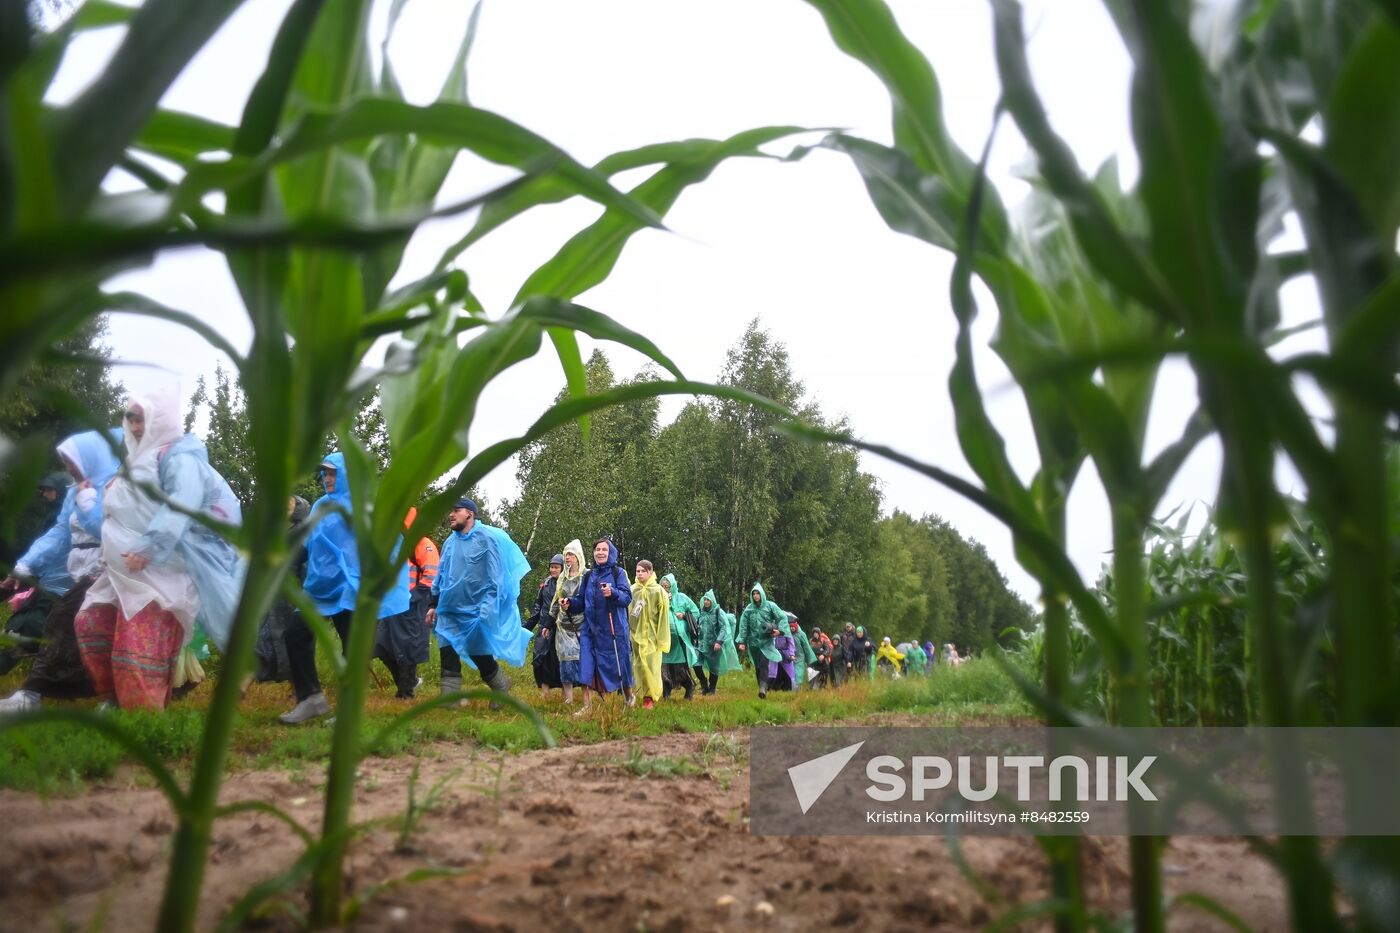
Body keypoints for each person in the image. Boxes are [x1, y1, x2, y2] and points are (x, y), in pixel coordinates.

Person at [76, 390, 245, 711]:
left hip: (161, 576)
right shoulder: (130, 462)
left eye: (144, 418)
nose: (137, 426)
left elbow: (184, 503)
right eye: (131, 418)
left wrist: (149, 546)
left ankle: (144, 725)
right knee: (90, 624)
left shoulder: (179, 457)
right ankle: (115, 702)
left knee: (136, 649)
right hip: (119, 576)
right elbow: (115, 515)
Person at [279, 452, 412, 723]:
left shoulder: (367, 510)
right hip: (318, 588)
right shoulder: (319, 506)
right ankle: (311, 699)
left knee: (352, 650)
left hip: (351, 590)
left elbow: (386, 548)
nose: (326, 478)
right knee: (295, 635)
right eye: (325, 473)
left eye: (332, 473)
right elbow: (309, 543)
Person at [0, 431, 121, 712]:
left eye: (71, 460)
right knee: (88, 633)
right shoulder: (73, 492)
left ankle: (31, 696)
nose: (68, 467)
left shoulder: (116, 486)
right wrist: (25, 565)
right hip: (81, 571)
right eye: (65, 461)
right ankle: (110, 698)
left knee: (60, 620)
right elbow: (59, 535)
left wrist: (89, 497)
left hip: (109, 568)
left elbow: (110, 528)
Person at [427, 498, 531, 705]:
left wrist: (488, 609)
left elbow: (495, 579)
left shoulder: (486, 540)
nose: (451, 514)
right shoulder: (450, 542)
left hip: (476, 612)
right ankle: (449, 702)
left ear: (470, 514)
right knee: (447, 652)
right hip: (449, 610)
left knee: (479, 655)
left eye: (456, 510)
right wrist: (433, 604)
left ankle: (501, 688)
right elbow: (441, 574)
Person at [0, 473, 77, 673]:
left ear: (62, 490)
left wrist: (27, 569)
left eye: (49, 489)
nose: (44, 494)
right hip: (51, 583)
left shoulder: (69, 517)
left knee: (26, 630)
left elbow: (54, 548)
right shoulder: (59, 515)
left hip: (62, 586)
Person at [567, 538, 634, 713]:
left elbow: (627, 597)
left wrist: (612, 593)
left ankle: (629, 696)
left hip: (613, 629)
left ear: (610, 552)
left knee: (621, 664)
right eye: (597, 549)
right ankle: (587, 707)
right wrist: (570, 603)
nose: (600, 552)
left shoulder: (618, 573)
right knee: (586, 665)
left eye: (604, 549)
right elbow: (581, 601)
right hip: (590, 629)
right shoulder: (589, 575)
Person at [373, 508, 434, 700]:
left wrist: (411, 597)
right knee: (380, 646)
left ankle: (405, 693)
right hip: (390, 605)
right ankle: (408, 682)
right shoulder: (391, 545)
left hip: (414, 605)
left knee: (408, 648)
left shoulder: (424, 544)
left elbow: (431, 576)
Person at [253, 496, 310, 684]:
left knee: (292, 640)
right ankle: (242, 687)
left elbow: (306, 567)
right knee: (261, 639)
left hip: (292, 595)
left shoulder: (303, 533)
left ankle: (302, 690)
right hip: (268, 594)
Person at [628, 560, 670, 709]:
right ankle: (640, 694)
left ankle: (649, 697)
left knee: (651, 666)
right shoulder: (633, 590)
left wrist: (662, 638)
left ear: (650, 572)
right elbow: (630, 613)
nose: (639, 574)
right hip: (636, 636)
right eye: (637, 571)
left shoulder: (658, 591)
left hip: (652, 637)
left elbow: (664, 617)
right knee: (639, 666)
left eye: (643, 571)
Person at [549, 540, 587, 704]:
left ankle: (588, 699)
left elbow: (589, 599)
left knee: (584, 661)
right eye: (566, 555)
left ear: (578, 556)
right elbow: (556, 600)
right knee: (565, 659)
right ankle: (569, 698)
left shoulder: (587, 576)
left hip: (583, 625)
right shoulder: (562, 578)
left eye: (570, 554)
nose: (568, 558)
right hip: (564, 625)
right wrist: (548, 623)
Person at [737, 582, 787, 699]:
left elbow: (782, 617)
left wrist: (779, 631)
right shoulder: (748, 609)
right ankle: (762, 688)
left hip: (767, 642)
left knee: (764, 663)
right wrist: (742, 642)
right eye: (754, 593)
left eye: (758, 593)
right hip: (753, 643)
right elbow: (743, 626)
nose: (755, 596)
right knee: (758, 666)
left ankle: (763, 688)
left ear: (762, 595)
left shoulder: (770, 606)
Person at [523, 554, 564, 694]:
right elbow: (537, 607)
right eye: (551, 567)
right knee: (540, 659)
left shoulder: (566, 584)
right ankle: (544, 694)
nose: (553, 570)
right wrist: (526, 627)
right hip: (543, 627)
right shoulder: (545, 585)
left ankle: (566, 695)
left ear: (562, 568)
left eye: (556, 567)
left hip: (560, 628)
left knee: (559, 661)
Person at [658, 573, 699, 701]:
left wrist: (685, 616)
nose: (665, 588)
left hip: (679, 640)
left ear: (673, 586)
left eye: (668, 586)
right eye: (663, 586)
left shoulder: (682, 598)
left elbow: (696, 613)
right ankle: (666, 693)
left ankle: (689, 688)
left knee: (679, 667)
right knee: (664, 666)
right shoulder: (658, 597)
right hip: (663, 640)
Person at [695, 589, 740, 695]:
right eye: (705, 599)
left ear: (712, 601)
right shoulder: (700, 612)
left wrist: (718, 641)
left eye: (708, 600)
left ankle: (712, 689)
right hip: (700, 644)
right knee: (696, 664)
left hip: (714, 644)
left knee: (714, 667)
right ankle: (703, 684)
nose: (706, 602)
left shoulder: (717, 611)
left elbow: (723, 627)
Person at [787, 615, 818, 691]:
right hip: (791, 657)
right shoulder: (788, 634)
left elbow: (806, 647)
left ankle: (797, 689)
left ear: (796, 626)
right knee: (791, 673)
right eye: (790, 627)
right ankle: (791, 689)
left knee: (798, 673)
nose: (792, 628)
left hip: (800, 657)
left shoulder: (801, 634)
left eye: (793, 627)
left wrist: (809, 659)